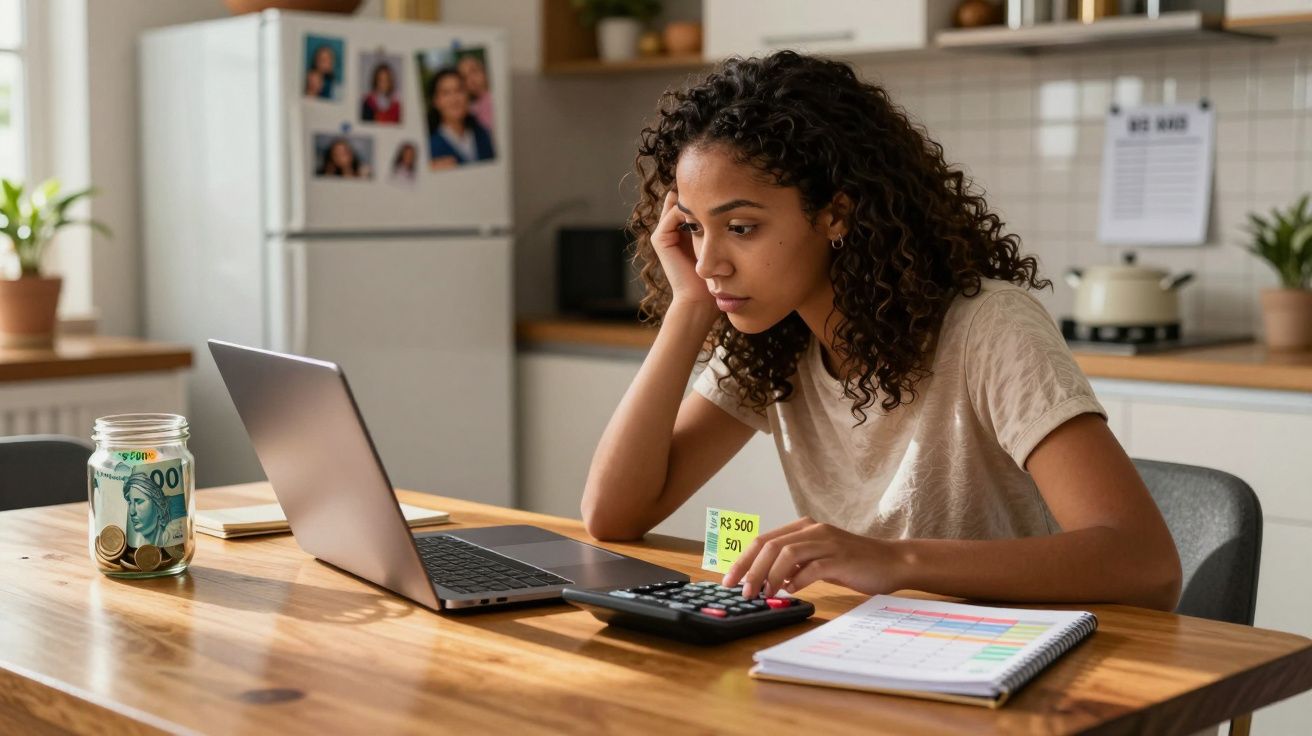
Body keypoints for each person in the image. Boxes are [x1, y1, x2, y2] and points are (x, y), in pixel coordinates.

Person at [581, 52, 1182, 611]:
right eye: (692, 228)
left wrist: (894, 560)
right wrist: (690, 308)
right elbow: (613, 516)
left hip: (1005, 668)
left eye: (740, 227)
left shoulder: (987, 327)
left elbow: (1145, 563)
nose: (709, 261)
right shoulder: (773, 338)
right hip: (876, 653)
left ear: (836, 213)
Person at [425, 68, 494, 170]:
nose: (454, 99)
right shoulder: (429, 147)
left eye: (459, 90)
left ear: (467, 95)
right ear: (436, 101)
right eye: (446, 93)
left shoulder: (483, 134)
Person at [123, 472, 179, 547]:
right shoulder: (131, 544)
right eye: (130, 503)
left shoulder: (173, 537)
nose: (132, 512)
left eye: (139, 501)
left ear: (158, 505)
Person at [457, 53, 494, 135]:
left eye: (474, 71)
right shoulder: (470, 111)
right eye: (465, 77)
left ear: (484, 70)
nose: (471, 79)